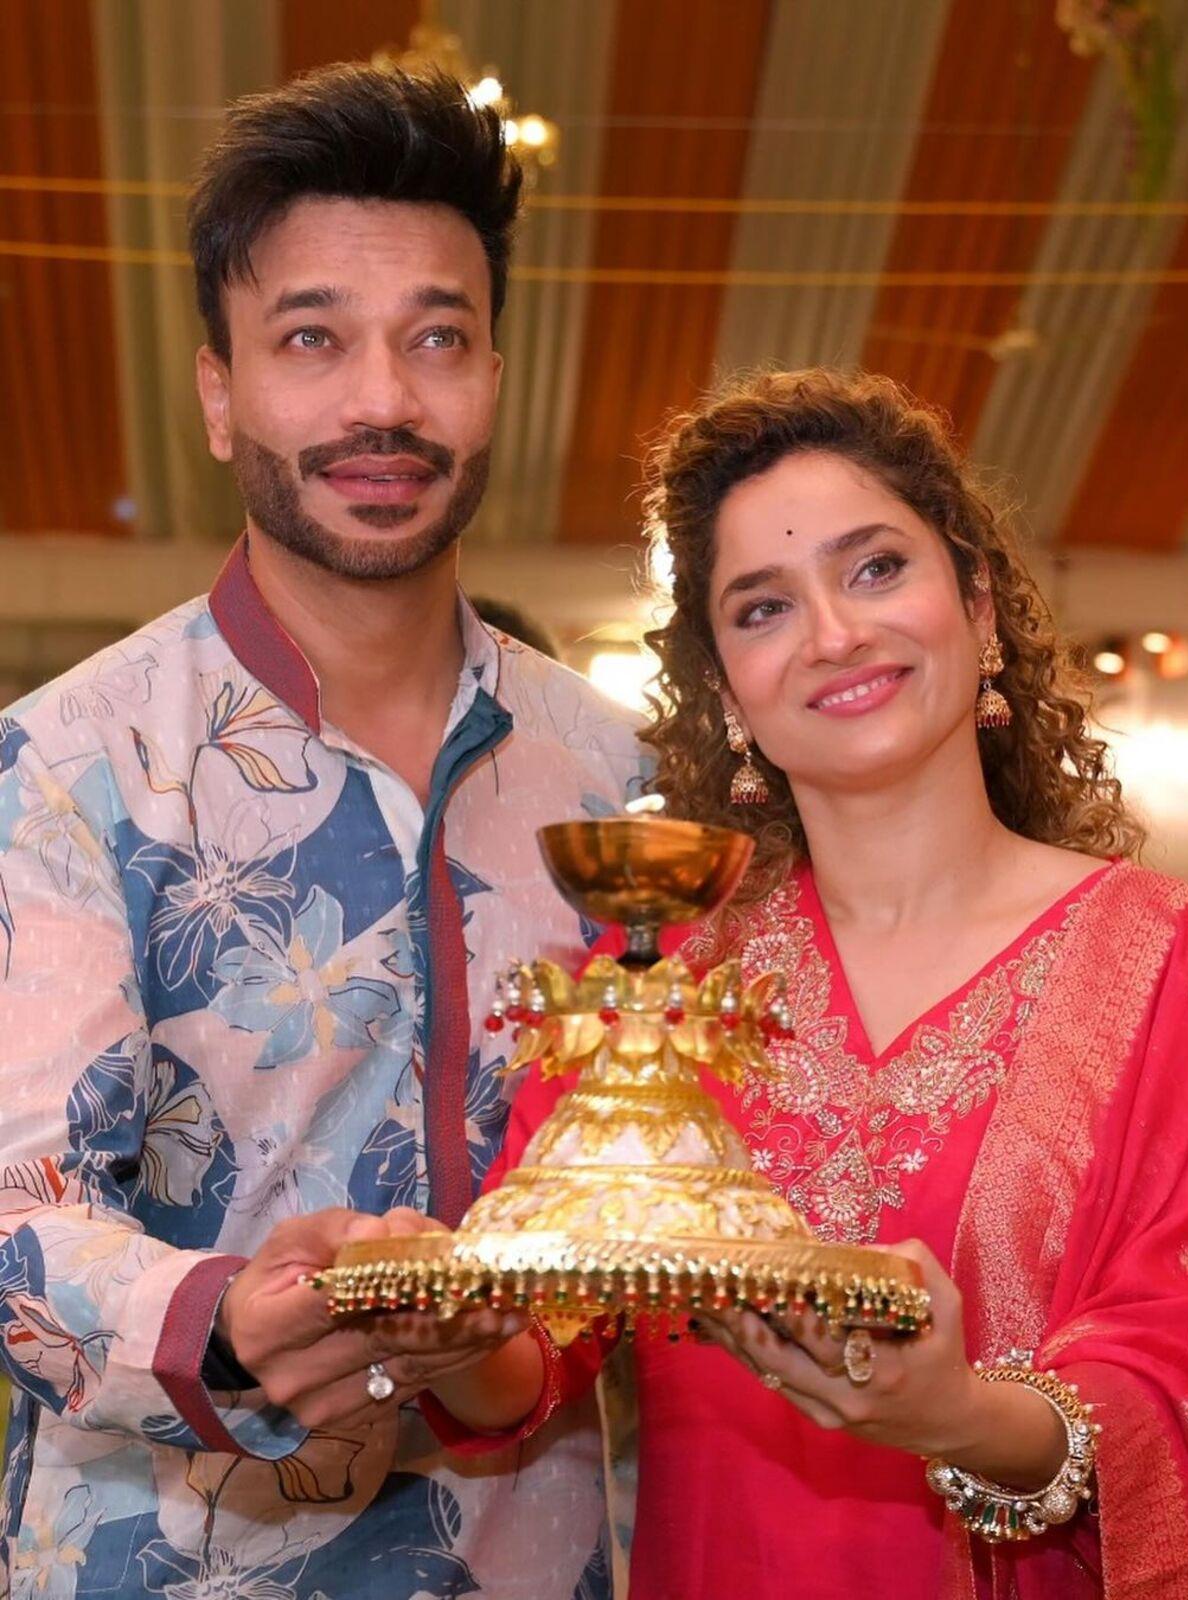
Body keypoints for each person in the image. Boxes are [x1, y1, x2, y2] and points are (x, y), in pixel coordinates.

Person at [434, 368, 1188, 1598]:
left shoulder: (1164, 962)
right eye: (763, 608)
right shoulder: (660, 982)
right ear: (727, 694)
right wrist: (439, 1336)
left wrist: (964, 1415)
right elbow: (535, 1348)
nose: (833, 634)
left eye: (875, 567)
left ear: (977, 604)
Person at [0, 64, 642, 1598]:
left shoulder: (622, 781)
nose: (383, 403)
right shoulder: (71, 763)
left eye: (437, 338)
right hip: (155, 1558)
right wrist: (225, 1313)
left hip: (533, 1551)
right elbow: (18, 1205)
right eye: (312, 339)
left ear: (495, 369)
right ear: (219, 391)